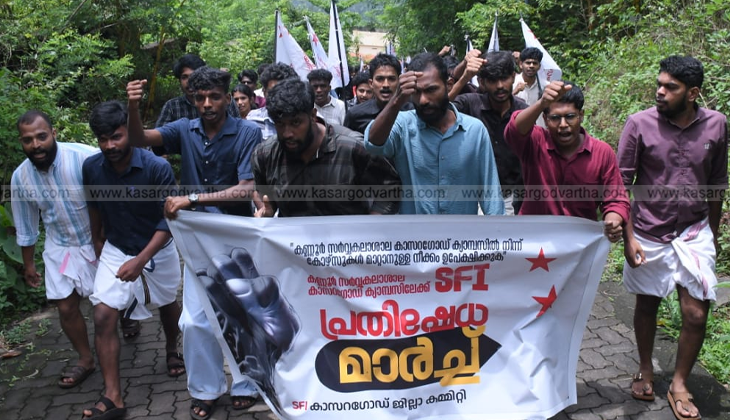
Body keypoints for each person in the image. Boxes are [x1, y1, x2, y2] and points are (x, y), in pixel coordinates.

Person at [127, 66, 263, 419]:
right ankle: (206, 388)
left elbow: (246, 188)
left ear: (227, 98)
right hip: (195, 239)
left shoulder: (247, 131)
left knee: (239, 314)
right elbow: (140, 139)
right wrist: (133, 107)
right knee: (194, 321)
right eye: (200, 98)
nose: (207, 104)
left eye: (214, 97)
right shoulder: (184, 129)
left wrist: (194, 198)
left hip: (235, 237)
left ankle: (247, 384)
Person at [617, 56, 727, 420]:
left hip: (694, 230)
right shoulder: (639, 124)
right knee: (647, 303)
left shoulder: (716, 124)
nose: (660, 92)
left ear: (692, 93)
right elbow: (620, 184)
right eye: (659, 84)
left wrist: (712, 234)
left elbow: (717, 182)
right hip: (648, 229)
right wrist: (628, 239)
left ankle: (679, 383)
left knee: (696, 313)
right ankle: (645, 367)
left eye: (671, 87)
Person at [81, 101, 183, 419]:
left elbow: (169, 221)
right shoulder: (92, 168)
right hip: (117, 247)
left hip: (157, 247)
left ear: (128, 131)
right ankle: (113, 397)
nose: (110, 145)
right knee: (102, 315)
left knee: (168, 303)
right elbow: (94, 205)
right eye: (103, 139)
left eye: (116, 136)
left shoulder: (156, 167)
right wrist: (97, 240)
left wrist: (141, 260)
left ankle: (172, 348)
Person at [11, 111, 98, 390]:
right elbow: (26, 224)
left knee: (109, 304)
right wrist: (29, 265)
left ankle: (128, 318)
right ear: (21, 142)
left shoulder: (85, 157)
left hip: (98, 240)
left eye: (41, 136)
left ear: (54, 134)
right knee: (66, 306)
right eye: (28, 140)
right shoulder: (21, 177)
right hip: (60, 246)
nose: (36, 145)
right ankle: (85, 359)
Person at [365, 52, 504, 215]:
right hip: (414, 231)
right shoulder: (403, 125)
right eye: (416, 92)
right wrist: (396, 100)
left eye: (431, 90)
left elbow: (491, 195)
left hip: (462, 231)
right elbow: (372, 144)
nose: (423, 100)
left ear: (449, 85)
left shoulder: (475, 130)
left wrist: (498, 229)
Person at [252, 78, 401, 217]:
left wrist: (373, 222)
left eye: (295, 123)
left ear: (313, 116)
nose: (287, 133)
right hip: (291, 236)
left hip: (348, 235)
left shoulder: (352, 148)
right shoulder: (265, 155)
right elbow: (265, 198)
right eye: (280, 124)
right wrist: (266, 213)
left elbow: (390, 187)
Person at [503, 81, 629, 241]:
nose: (563, 125)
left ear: (581, 115)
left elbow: (616, 199)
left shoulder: (602, 152)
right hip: (533, 240)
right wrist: (542, 103)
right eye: (555, 118)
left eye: (570, 117)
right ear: (545, 119)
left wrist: (613, 220)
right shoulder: (535, 142)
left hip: (580, 244)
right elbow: (514, 130)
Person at [452, 50, 528, 214]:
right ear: (481, 82)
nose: (500, 86)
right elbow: (440, 111)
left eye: (504, 78)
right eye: (493, 80)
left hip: (510, 195)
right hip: (471, 195)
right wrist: (464, 77)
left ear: (513, 77)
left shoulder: (523, 111)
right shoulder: (469, 104)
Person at [156, 54, 239, 128]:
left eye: (193, 76)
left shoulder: (225, 101)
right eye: (184, 77)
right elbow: (159, 135)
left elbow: (238, 128)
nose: (189, 81)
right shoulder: (172, 106)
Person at [344, 53, 414, 134]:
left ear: (399, 81)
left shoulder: (411, 112)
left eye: (391, 79)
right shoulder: (355, 114)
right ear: (371, 83)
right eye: (380, 79)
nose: (386, 85)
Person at [247, 63, 298, 139]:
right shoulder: (253, 119)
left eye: (282, 92)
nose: (278, 97)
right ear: (264, 92)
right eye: (272, 92)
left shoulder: (301, 120)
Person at [512, 47, 546, 127]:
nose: (531, 66)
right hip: (517, 129)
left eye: (535, 63)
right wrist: (514, 92)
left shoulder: (545, 86)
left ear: (539, 66)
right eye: (528, 63)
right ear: (521, 64)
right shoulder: (512, 84)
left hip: (540, 129)